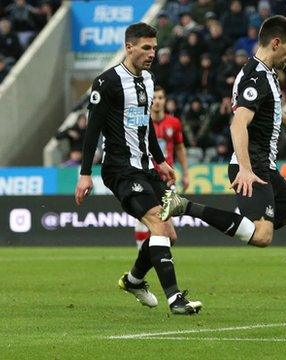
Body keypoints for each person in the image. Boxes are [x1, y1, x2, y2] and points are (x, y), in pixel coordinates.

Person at [160, 15, 286, 325]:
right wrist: (243, 168)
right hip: (252, 168)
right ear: (276, 43)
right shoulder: (256, 77)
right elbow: (238, 123)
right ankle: (186, 206)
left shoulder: (266, 74)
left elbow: (269, 110)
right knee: (262, 236)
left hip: (265, 168)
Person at [74, 23, 202, 315]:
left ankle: (133, 281)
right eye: (146, 48)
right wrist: (85, 174)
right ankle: (175, 300)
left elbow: (146, 126)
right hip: (120, 169)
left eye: (154, 48)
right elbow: (92, 130)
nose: (152, 53)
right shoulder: (107, 83)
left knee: (168, 235)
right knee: (157, 221)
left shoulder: (147, 79)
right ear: (128, 47)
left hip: (146, 168)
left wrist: (160, 160)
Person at [133, 86, 190, 249]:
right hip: (145, 175)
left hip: (166, 179)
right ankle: (143, 255)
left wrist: (186, 173)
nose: (157, 102)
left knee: (166, 222)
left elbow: (180, 148)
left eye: (160, 98)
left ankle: (158, 254)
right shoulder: (140, 123)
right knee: (144, 218)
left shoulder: (174, 123)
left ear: (165, 101)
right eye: (154, 98)